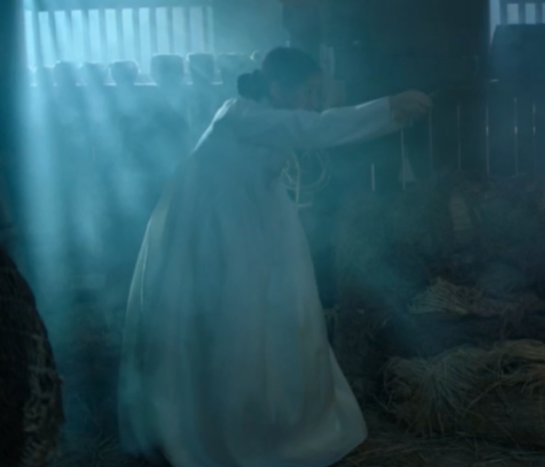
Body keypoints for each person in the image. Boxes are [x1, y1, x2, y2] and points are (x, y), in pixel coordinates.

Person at [117, 47, 431, 467]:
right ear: (278, 87)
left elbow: (304, 127)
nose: (315, 101)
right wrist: (387, 110)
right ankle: (230, 425)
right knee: (235, 320)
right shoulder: (241, 114)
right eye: (309, 91)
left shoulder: (261, 115)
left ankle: (275, 418)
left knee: (275, 313)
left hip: (251, 217)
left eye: (319, 92)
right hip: (216, 227)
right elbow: (313, 128)